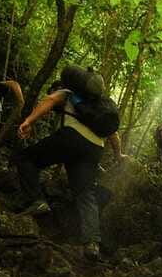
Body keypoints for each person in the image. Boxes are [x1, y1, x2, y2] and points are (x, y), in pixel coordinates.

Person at [16, 67, 124, 261]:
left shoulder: (68, 93)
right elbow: (113, 134)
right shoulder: (102, 105)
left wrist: (28, 121)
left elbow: (49, 101)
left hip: (71, 138)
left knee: (27, 158)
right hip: (94, 149)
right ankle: (91, 243)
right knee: (85, 193)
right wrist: (119, 155)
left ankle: (36, 201)